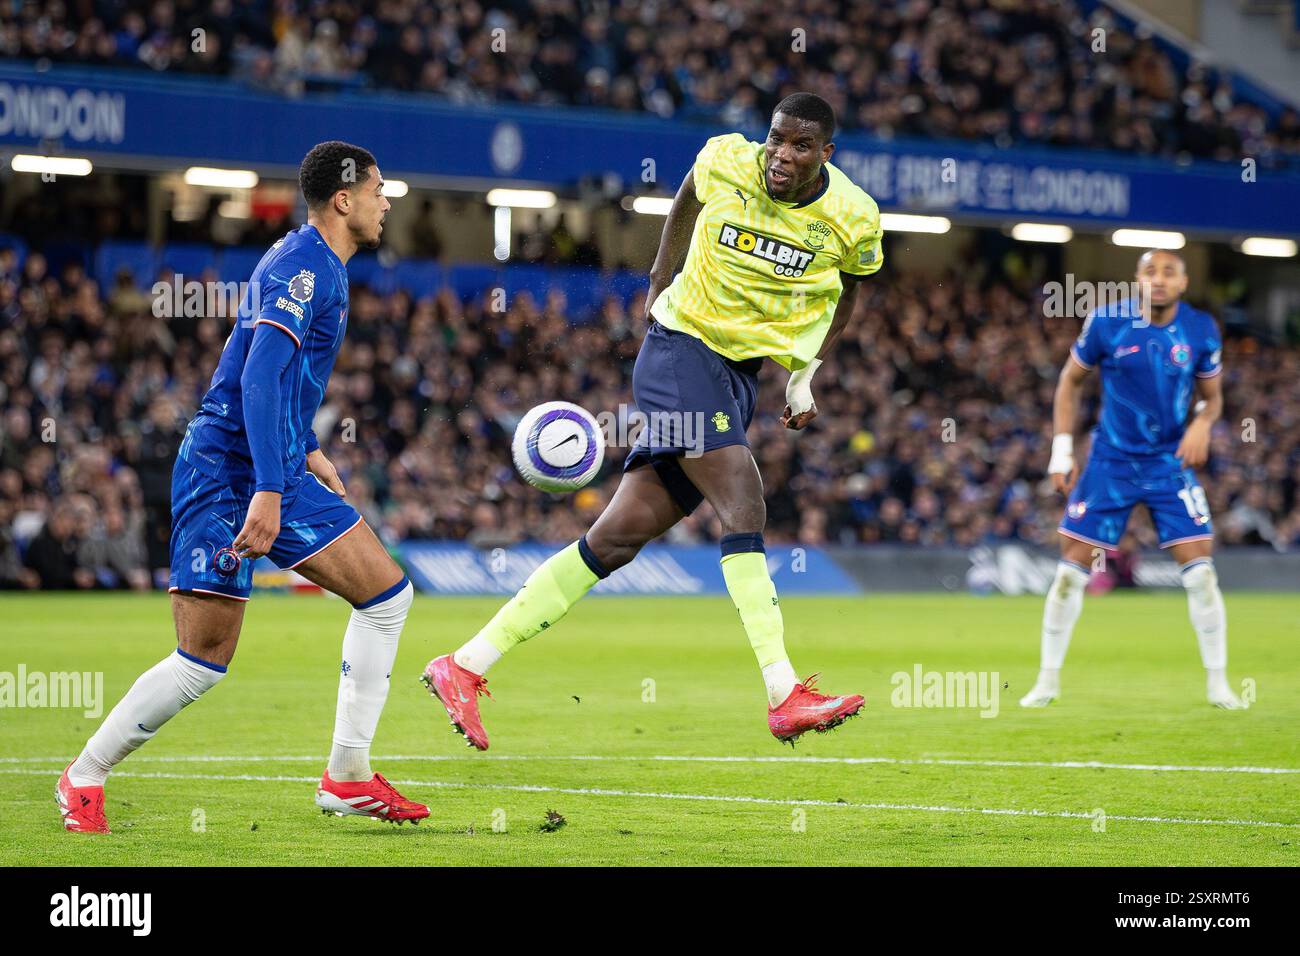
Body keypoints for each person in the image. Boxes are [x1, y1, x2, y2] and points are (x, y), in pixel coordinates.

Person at [423, 92, 884, 749]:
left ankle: (463, 665)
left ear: (826, 155)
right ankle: (784, 693)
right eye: (777, 139)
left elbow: (851, 289)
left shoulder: (853, 218)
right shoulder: (727, 158)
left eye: (801, 147)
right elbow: (689, 194)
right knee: (743, 495)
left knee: (614, 540)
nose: (782, 155)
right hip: (678, 350)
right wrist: (658, 277)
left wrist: (806, 372)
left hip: (737, 375)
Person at [57, 142, 430, 834]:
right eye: (381, 189)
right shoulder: (299, 267)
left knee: (385, 596)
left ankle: (347, 776)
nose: (388, 201)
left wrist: (308, 449)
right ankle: (83, 775)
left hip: (277, 464)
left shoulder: (329, 270)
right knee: (203, 662)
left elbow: (284, 384)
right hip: (228, 470)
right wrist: (265, 487)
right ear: (344, 199)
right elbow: (258, 379)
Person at [1022, 249, 1246, 710]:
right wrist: (1062, 450)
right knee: (1069, 575)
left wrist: (1203, 424)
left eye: (1169, 273)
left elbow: (1212, 400)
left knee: (1201, 573)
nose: (1158, 280)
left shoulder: (1201, 329)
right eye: (1150, 271)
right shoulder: (1107, 322)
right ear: (1136, 279)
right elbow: (1069, 382)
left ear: (1183, 283)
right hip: (1111, 461)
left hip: (1169, 461)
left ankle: (1218, 685)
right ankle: (1046, 682)